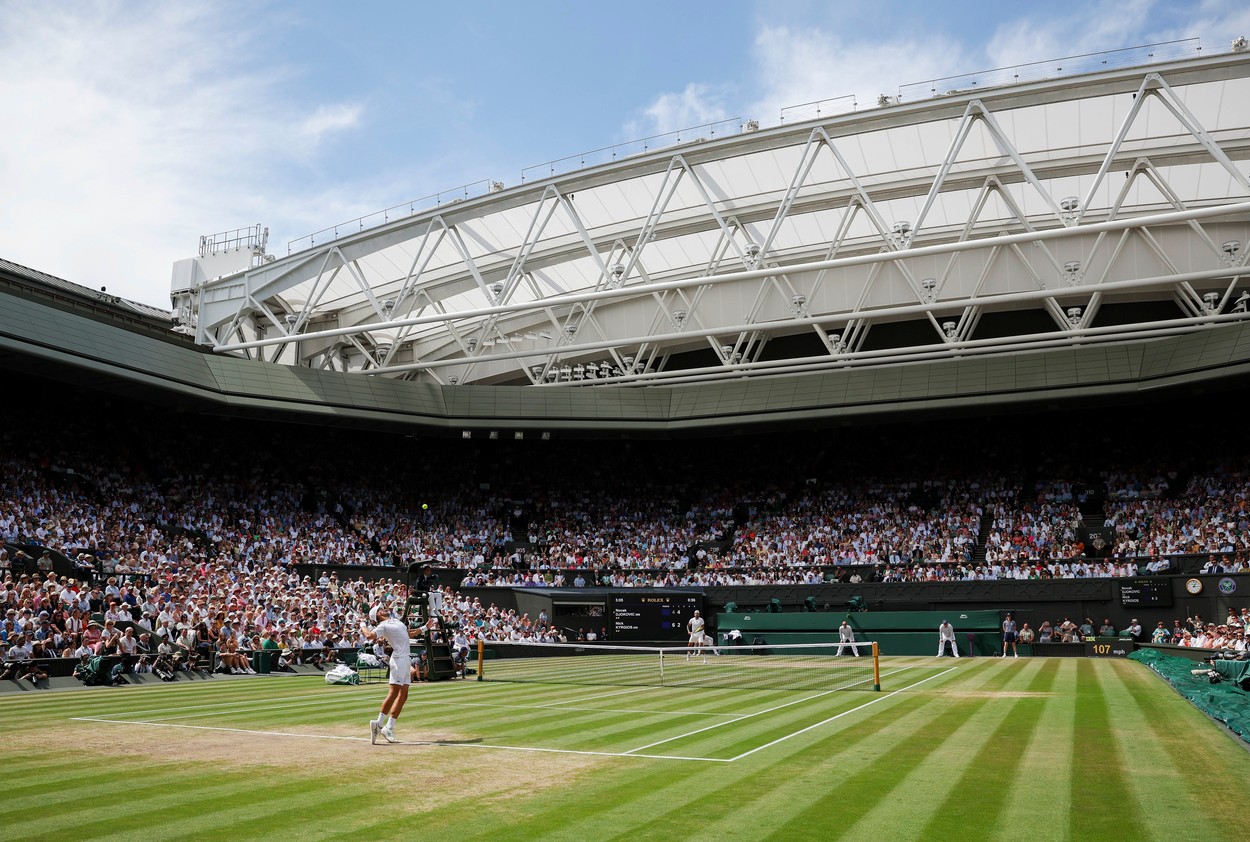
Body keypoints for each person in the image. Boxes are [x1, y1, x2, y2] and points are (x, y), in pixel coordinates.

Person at [359, 603, 422, 745]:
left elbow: (408, 633)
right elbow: (369, 635)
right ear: (379, 614)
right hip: (398, 660)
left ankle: (389, 727)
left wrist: (424, 628)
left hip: (405, 660)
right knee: (394, 692)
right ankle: (378, 723)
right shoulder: (383, 626)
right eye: (381, 609)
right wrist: (362, 624)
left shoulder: (397, 622)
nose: (384, 608)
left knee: (404, 695)